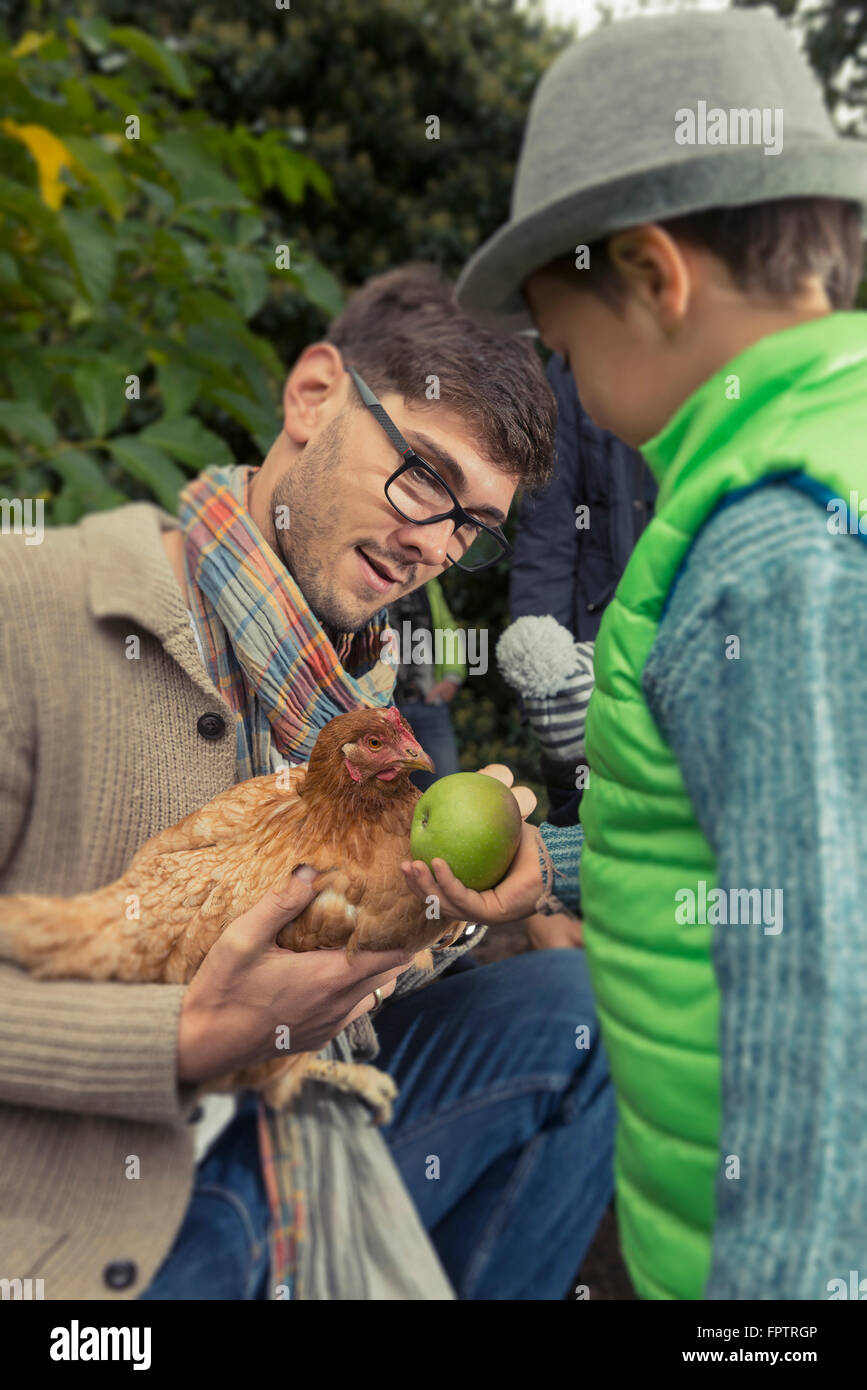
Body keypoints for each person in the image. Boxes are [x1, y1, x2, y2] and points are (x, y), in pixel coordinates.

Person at [0, 265, 616, 1301]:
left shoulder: (365, 683)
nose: (433, 541)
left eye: (470, 524)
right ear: (315, 394)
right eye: (423, 473)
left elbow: (343, 951)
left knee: (579, 1009)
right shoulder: (37, 608)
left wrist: (452, 901)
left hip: (302, 1112)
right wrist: (182, 1039)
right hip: (95, 1196)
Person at [414, 8, 867, 1299]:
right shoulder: (786, 472)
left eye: (558, 341)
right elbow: (746, 852)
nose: (560, 375)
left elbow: (819, 1015)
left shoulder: (769, 551)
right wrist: (556, 862)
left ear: (655, 278)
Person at [510, 352, 656, 825]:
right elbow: (548, 527)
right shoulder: (572, 372)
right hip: (596, 648)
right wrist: (546, 682)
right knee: (585, 825)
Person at [389, 577, 465, 792]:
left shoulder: (427, 581)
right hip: (380, 709)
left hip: (428, 703)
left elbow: (445, 627)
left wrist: (452, 677)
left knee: (445, 790)